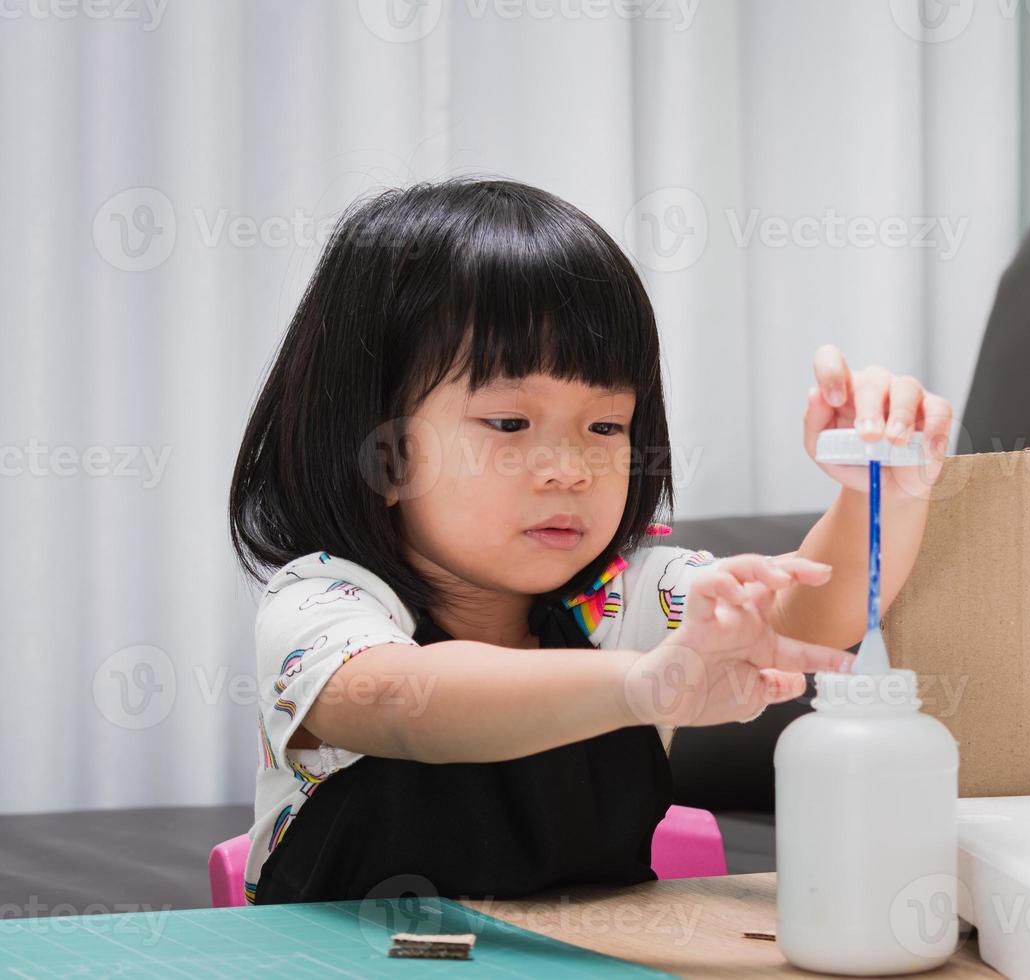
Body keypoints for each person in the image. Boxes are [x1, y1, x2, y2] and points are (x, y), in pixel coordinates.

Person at [227, 178, 952, 904]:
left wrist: (876, 484)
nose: (570, 469)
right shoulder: (327, 599)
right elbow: (393, 698)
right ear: (385, 457)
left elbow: (802, 615)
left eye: (605, 427)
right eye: (509, 425)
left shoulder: (622, 596)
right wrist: (641, 683)